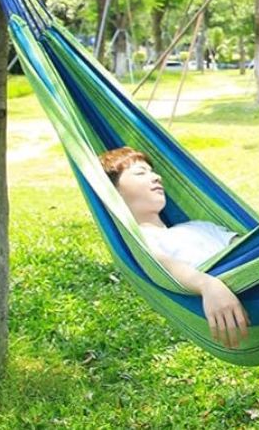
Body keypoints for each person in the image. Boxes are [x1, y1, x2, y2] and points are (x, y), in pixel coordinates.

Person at [99, 146, 249, 349]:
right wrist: (208, 285)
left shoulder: (200, 226)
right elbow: (163, 265)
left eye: (153, 172)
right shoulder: (142, 242)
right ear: (113, 192)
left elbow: (254, 247)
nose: (157, 177)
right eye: (141, 173)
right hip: (248, 294)